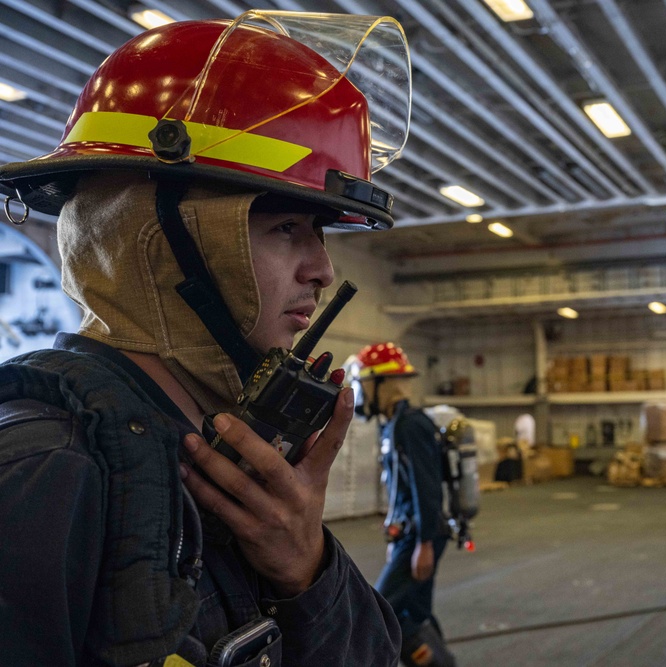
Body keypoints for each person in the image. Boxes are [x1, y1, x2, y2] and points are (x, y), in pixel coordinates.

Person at [0, 11, 411, 665]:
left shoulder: (231, 464)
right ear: (159, 239)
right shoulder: (42, 468)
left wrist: (306, 570)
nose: (323, 269)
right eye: (285, 228)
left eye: (321, 233)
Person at [354, 342, 457, 667]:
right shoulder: (392, 424)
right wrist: (396, 538)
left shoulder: (411, 424)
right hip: (409, 534)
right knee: (415, 611)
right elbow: (399, 488)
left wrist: (422, 543)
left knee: (380, 609)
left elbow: (426, 488)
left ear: (383, 384)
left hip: (420, 534)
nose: (360, 393)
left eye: (364, 384)